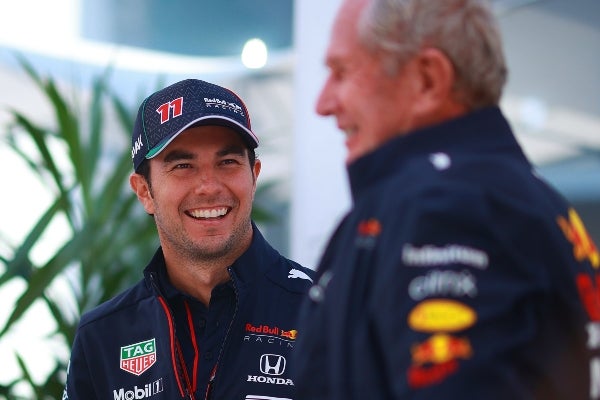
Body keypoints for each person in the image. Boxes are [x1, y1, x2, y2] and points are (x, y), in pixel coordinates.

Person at [292, 0, 600, 399]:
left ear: (428, 80)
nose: (323, 104)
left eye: (341, 72)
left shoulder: (444, 204)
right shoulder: (523, 196)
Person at [63, 78, 314, 399]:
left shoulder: (328, 310)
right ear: (144, 191)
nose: (209, 186)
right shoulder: (101, 336)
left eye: (227, 162)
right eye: (183, 166)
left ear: (254, 176)